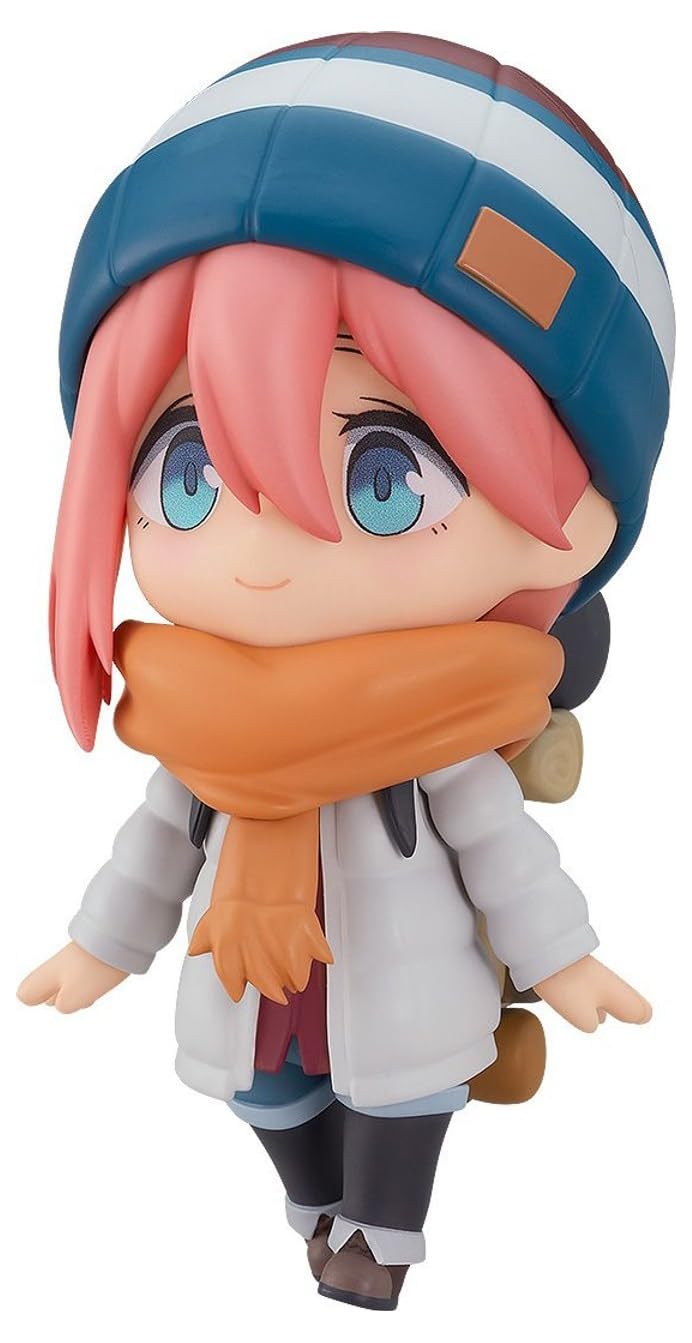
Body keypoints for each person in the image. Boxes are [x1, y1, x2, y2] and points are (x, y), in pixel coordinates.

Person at [18, 32, 672, 1311]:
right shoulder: (191, 735)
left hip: (403, 986)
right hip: (249, 987)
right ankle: (310, 1200)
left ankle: (381, 1234)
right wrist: (99, 946)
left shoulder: (440, 739)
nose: (260, 546)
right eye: (188, 474)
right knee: (267, 1093)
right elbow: (155, 850)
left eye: (384, 479)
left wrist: (563, 957)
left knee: (401, 1095)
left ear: (575, 517)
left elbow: (503, 851)